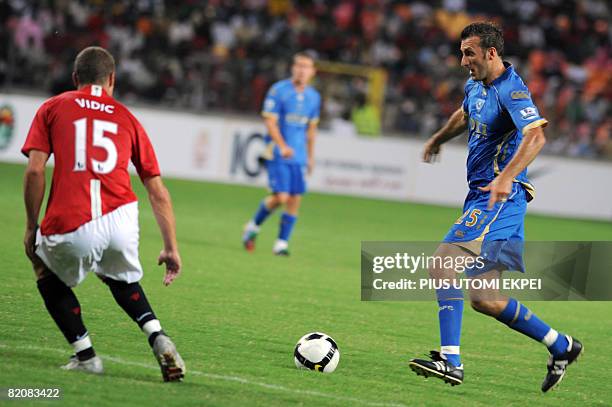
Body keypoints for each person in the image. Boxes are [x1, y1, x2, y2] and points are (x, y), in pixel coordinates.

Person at [408, 22, 582, 392]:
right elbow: (464, 112)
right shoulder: (477, 85)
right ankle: (561, 344)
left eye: (469, 53)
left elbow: (536, 135)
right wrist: (439, 138)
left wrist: (506, 178)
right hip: (490, 197)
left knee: (442, 265)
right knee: (485, 298)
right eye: (461, 52)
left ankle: (451, 361)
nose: (462, 61)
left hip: (500, 197)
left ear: (491, 53)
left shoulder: (512, 90)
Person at [22, 46, 185, 382]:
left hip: (72, 217)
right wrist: (171, 247)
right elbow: (157, 189)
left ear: (74, 78)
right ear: (112, 79)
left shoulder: (53, 107)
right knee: (117, 273)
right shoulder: (128, 118)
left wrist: (30, 226)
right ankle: (157, 334)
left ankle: (86, 356)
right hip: (122, 217)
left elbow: (35, 171)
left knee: (43, 266)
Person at [242, 51, 321, 256]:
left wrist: (311, 157)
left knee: (295, 198)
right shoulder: (279, 90)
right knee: (281, 197)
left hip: (299, 155)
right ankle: (253, 226)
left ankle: (281, 244)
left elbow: (311, 131)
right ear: (293, 68)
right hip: (277, 152)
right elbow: (270, 121)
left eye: (306, 67)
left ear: (313, 71)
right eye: (298, 65)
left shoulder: (314, 97)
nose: (301, 70)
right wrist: (282, 145)